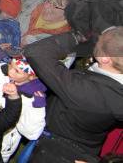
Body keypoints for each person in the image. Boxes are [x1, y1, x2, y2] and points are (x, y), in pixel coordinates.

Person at [25, 27, 123, 162]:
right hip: (87, 150)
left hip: (56, 153)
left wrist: (77, 36)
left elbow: (36, 52)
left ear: (105, 59)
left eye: (101, 40)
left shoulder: (85, 90)